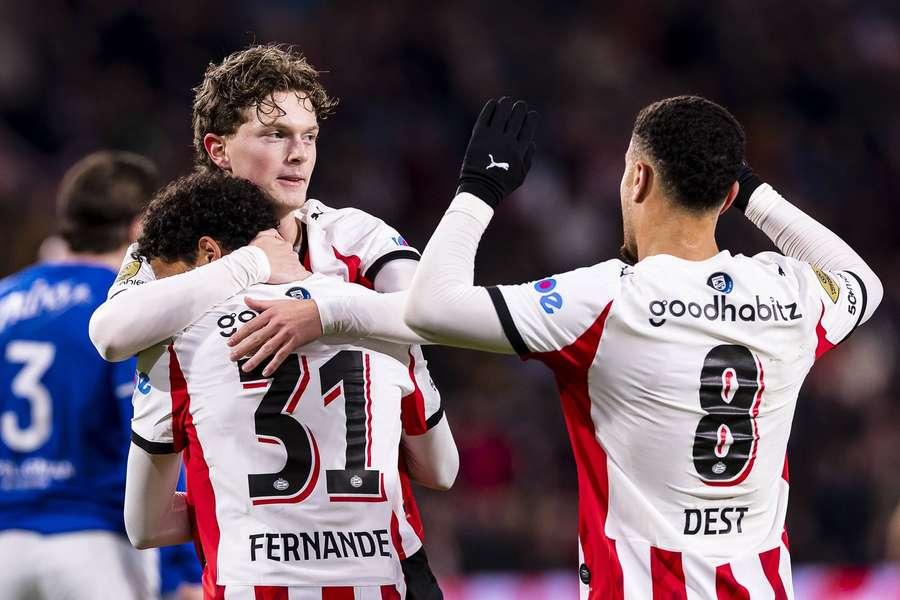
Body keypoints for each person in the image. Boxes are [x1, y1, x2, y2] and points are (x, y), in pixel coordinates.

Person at [234, 96, 882, 598]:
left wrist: (477, 190)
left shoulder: (605, 302)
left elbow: (430, 306)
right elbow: (863, 283)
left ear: (636, 178)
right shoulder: (790, 293)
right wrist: (756, 192)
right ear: (729, 195)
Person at [88, 45, 455, 598]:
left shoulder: (355, 234)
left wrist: (320, 314)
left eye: (308, 136)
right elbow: (111, 332)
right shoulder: (172, 248)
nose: (299, 154)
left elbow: (434, 311)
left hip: (277, 567)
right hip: (376, 563)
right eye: (274, 134)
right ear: (218, 149)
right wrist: (257, 262)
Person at [124, 171, 440, 599]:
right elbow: (443, 469)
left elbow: (145, 526)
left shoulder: (176, 344)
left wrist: (240, 494)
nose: (164, 297)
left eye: (167, 279)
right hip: (382, 580)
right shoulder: (382, 315)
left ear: (207, 253)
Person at [0, 151, 161, 598]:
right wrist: (183, 563)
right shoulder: (122, 309)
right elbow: (150, 431)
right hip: (94, 544)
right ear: (138, 227)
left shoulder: (4, 300)